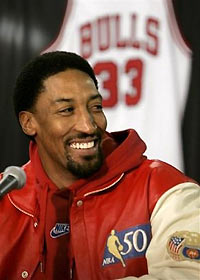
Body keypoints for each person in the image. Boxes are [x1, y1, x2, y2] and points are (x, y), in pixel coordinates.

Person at [0, 51, 199, 280]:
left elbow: (188, 274)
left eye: (95, 107)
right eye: (67, 110)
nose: (88, 125)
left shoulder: (165, 188)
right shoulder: (6, 199)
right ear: (29, 123)